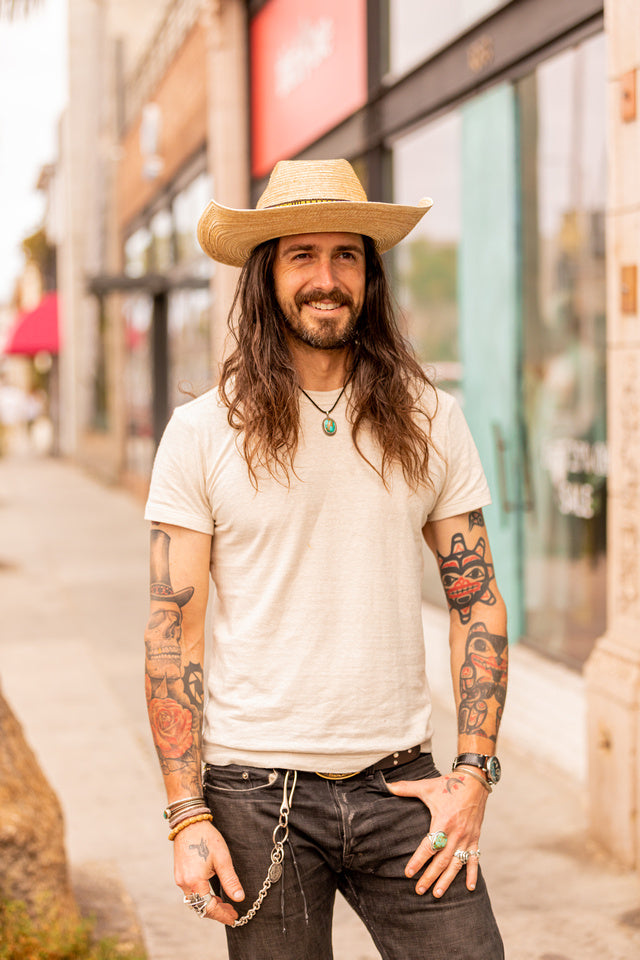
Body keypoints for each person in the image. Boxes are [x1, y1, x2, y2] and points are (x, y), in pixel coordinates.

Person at [144, 158, 507, 960]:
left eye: (346, 255)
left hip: (402, 784)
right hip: (253, 792)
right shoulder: (201, 433)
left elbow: (477, 601)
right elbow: (173, 631)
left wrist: (475, 773)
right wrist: (186, 813)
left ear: (370, 277)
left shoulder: (431, 419)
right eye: (301, 255)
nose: (326, 278)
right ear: (266, 276)